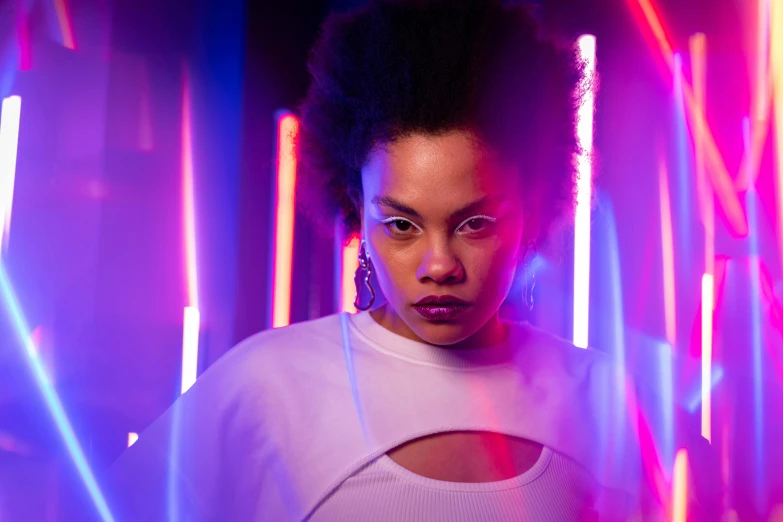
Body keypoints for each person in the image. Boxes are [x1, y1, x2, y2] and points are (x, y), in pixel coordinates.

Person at [109, 0, 719, 520]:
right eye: (401, 224)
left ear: (529, 212)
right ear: (357, 211)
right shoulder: (265, 387)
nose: (438, 265)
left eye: (475, 222)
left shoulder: (601, 398)